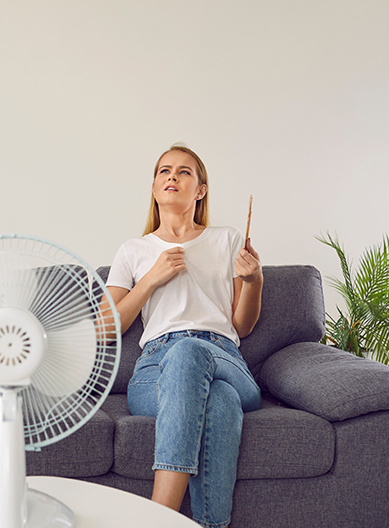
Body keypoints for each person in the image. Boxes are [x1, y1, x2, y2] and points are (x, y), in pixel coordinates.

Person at [101, 144, 262, 528]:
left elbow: (241, 325)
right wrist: (152, 278)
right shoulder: (134, 250)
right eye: (164, 171)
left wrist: (254, 280)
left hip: (222, 357)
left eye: (184, 172)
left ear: (201, 190)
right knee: (219, 402)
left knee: (193, 353)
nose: (172, 176)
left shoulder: (227, 240)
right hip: (155, 368)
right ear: (155, 187)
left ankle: (157, 519)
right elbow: (106, 327)